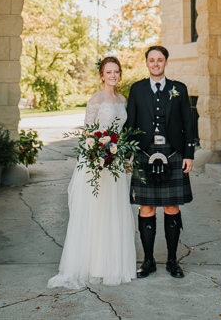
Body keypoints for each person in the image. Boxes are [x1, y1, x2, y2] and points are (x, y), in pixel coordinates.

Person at [48, 56, 136, 289]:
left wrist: (124, 155)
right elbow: (89, 133)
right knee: (96, 213)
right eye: (109, 72)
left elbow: (122, 132)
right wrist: (99, 153)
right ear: (102, 75)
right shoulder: (96, 99)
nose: (113, 76)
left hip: (115, 162)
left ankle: (112, 264)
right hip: (97, 163)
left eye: (116, 72)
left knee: (114, 211)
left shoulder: (123, 99)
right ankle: (93, 265)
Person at [125, 45, 194, 279]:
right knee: (146, 208)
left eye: (160, 60)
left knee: (171, 207)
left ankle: (173, 261)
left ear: (166, 62)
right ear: (146, 63)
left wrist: (189, 154)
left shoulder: (179, 89)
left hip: (173, 152)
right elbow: (131, 123)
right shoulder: (137, 89)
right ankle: (148, 261)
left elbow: (189, 122)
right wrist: (128, 153)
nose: (156, 63)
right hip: (144, 153)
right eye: (152, 60)